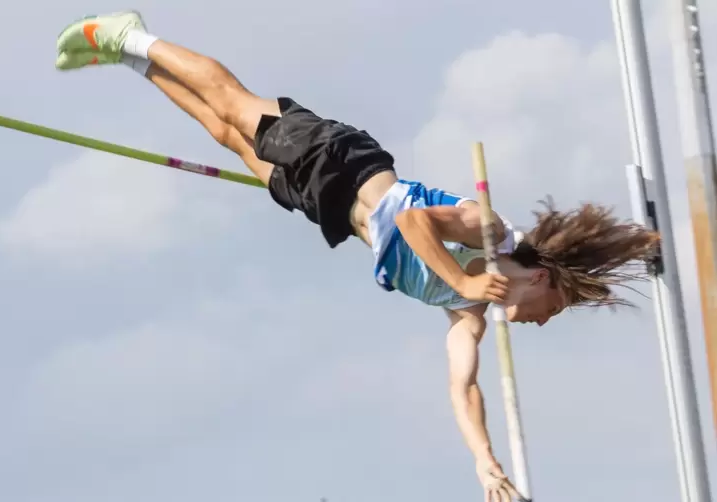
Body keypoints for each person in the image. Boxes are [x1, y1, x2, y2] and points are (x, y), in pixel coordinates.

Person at [54, 10, 660, 501]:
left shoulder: (467, 312)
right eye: (555, 308)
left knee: (222, 132)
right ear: (544, 277)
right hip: (347, 163)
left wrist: (485, 462)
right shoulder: (490, 231)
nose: (544, 321)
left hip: (326, 207)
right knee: (235, 102)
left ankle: (128, 59)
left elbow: (463, 388)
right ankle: (133, 33)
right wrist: (466, 280)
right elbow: (416, 220)